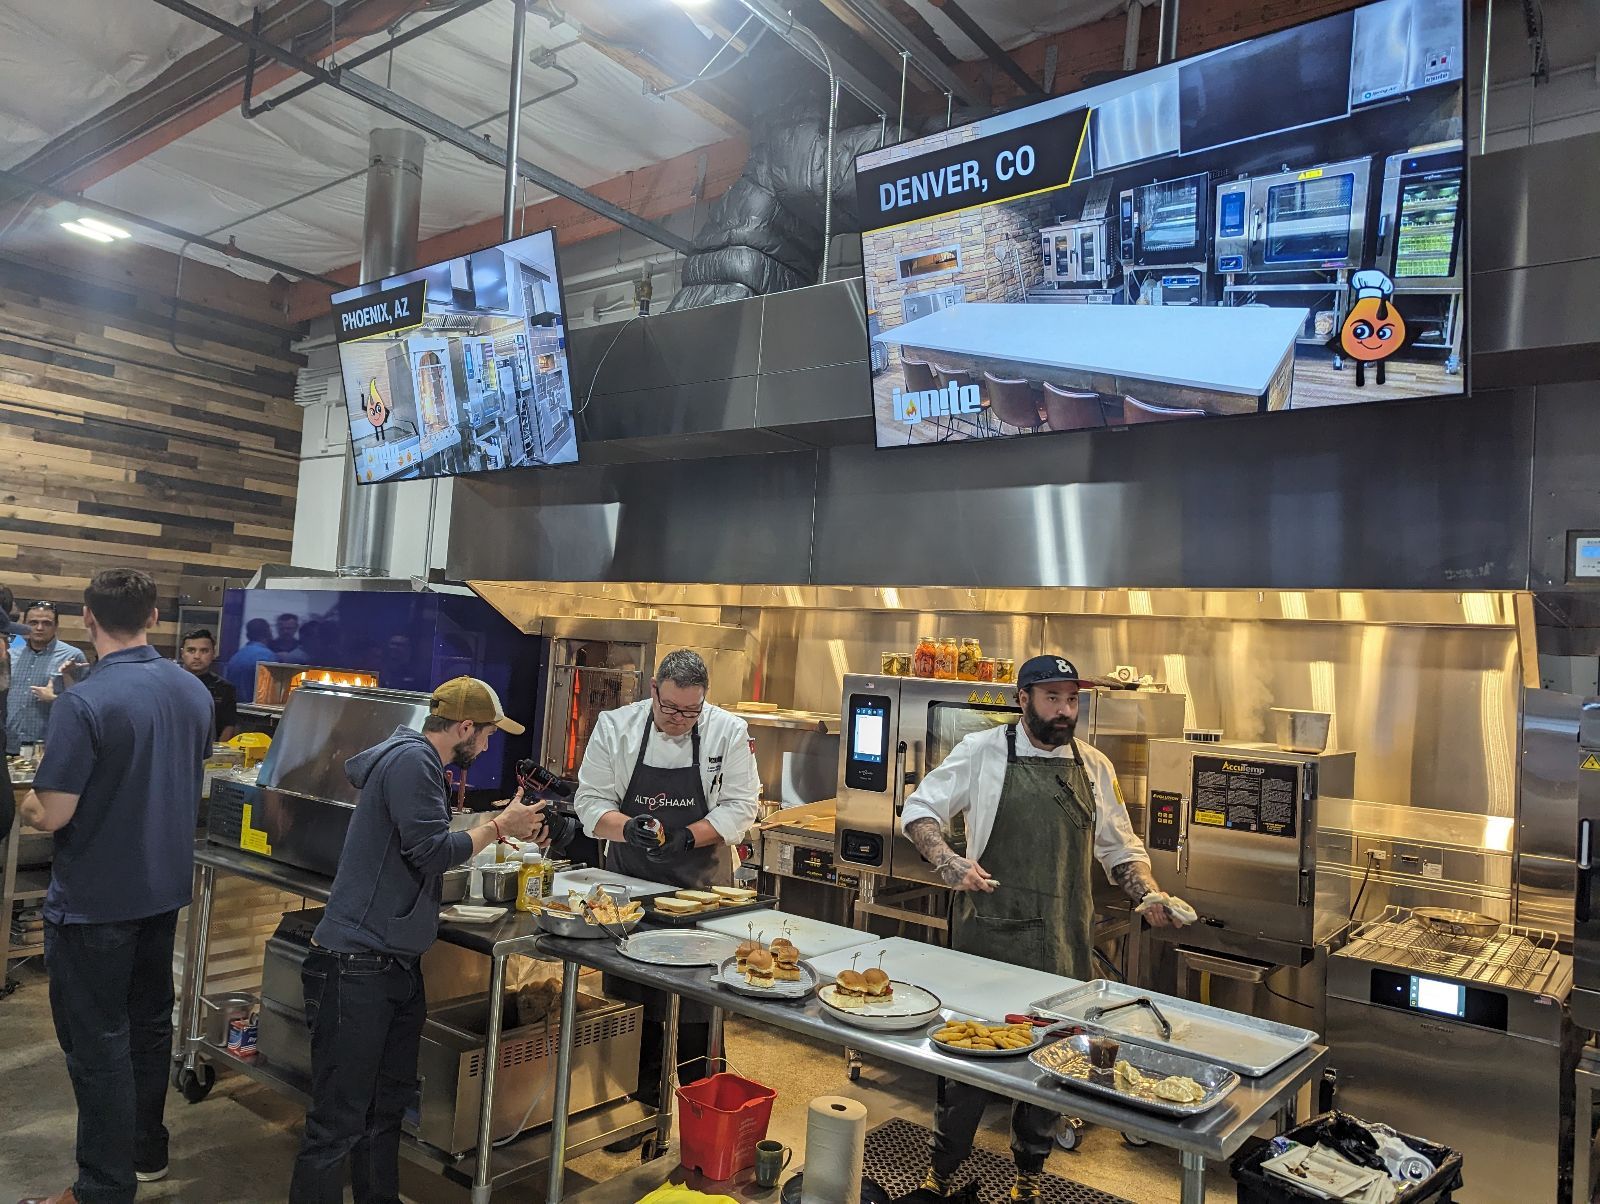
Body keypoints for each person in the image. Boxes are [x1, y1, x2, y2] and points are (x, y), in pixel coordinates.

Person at [901, 655, 1186, 1203]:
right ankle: (941, 1169)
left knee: (1051, 1061)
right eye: (1052, 698)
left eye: (1072, 700)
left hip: (1061, 937)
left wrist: (1147, 894)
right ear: (1022, 699)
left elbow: (1119, 849)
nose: (1064, 711)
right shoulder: (982, 752)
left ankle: (1030, 1174)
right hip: (991, 938)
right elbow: (920, 811)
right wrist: (947, 861)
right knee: (969, 1063)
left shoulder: (1093, 764)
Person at [290, 676, 545, 1204]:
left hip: (392, 965)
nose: (490, 745)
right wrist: (500, 827)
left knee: (384, 1112)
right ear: (466, 727)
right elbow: (430, 851)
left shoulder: (417, 762)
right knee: (338, 1122)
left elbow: (419, 846)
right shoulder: (413, 762)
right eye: (490, 734)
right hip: (357, 964)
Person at [15, 569, 214, 1204]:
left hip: (96, 903)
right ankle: (145, 1150)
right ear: (155, 617)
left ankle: (102, 1187)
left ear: (86, 619)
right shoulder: (192, 691)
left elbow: (53, 813)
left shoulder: (85, 701)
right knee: (150, 1026)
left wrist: (23, 801)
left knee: (95, 1043)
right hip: (162, 891)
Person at [573, 649, 760, 1133]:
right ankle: (638, 1120)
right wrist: (627, 827)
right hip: (630, 891)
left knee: (700, 1012)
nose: (679, 720)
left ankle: (701, 1126)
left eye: (691, 711)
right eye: (670, 708)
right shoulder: (616, 727)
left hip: (702, 889)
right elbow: (590, 801)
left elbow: (741, 806)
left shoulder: (727, 731)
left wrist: (686, 836)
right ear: (653, 690)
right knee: (634, 1009)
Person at [5, 602, 88, 756]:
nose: (39, 628)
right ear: (24, 625)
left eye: (46, 623)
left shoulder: (73, 657)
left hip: (50, 749)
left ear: (56, 626)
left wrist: (55, 699)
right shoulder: (12, 654)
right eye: (33, 622)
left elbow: (85, 707)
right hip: (10, 745)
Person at [178, 628, 238, 742]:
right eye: (191, 650)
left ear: (213, 654)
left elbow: (229, 725)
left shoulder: (225, 688)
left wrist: (217, 754)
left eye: (204, 651)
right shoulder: (169, 683)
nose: (197, 656)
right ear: (182, 653)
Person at [224, 617, 276, 701]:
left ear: (248, 635)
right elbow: (269, 692)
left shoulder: (236, 656)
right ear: (268, 633)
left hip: (236, 707)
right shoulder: (267, 656)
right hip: (255, 709)